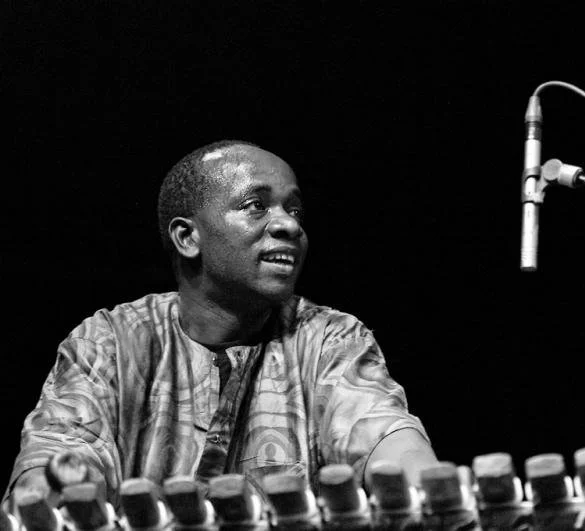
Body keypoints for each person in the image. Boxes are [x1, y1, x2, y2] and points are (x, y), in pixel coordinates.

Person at [4, 140, 436, 507]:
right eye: (256, 206)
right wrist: (55, 487)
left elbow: (381, 432)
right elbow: (57, 456)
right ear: (187, 238)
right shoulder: (111, 341)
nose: (288, 224)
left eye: (295, 210)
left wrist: (431, 487)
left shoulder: (329, 338)